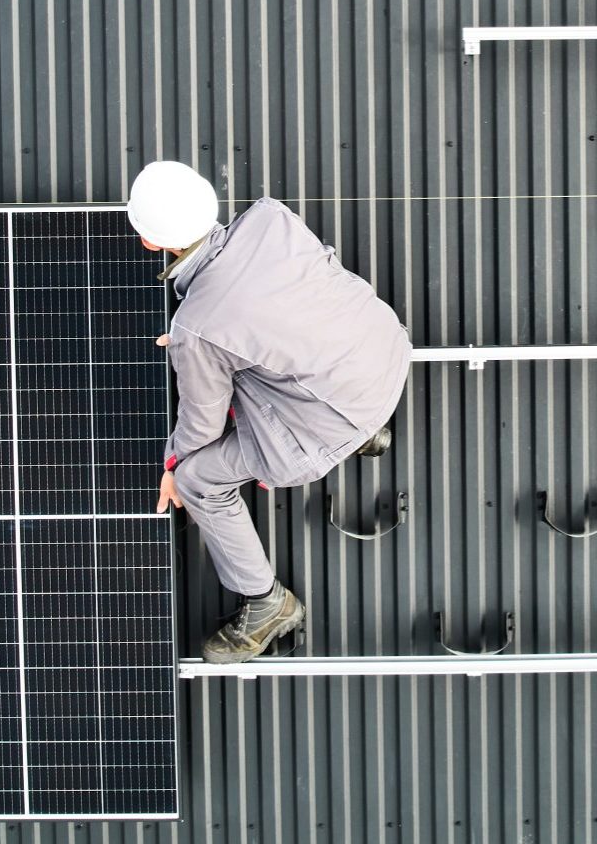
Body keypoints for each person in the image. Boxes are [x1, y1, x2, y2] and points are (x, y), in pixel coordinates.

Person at [128, 160, 411, 664]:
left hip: (333, 419)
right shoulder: (269, 217)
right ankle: (363, 430)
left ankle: (266, 603)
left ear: (151, 242)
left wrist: (174, 466)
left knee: (200, 481)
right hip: (385, 355)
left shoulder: (197, 326)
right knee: (243, 363)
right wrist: (201, 345)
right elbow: (283, 311)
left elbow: (202, 420)